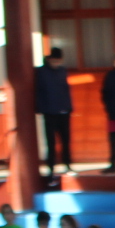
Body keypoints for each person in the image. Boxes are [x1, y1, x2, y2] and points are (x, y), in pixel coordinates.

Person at [35, 47, 74, 180]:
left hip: (64, 111)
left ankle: (68, 165)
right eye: (54, 61)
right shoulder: (41, 72)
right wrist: (40, 108)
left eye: (59, 61)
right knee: (50, 142)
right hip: (49, 112)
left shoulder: (63, 71)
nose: (56, 63)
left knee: (66, 140)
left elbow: (66, 90)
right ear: (50, 59)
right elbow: (39, 91)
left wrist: (69, 107)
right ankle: (51, 169)